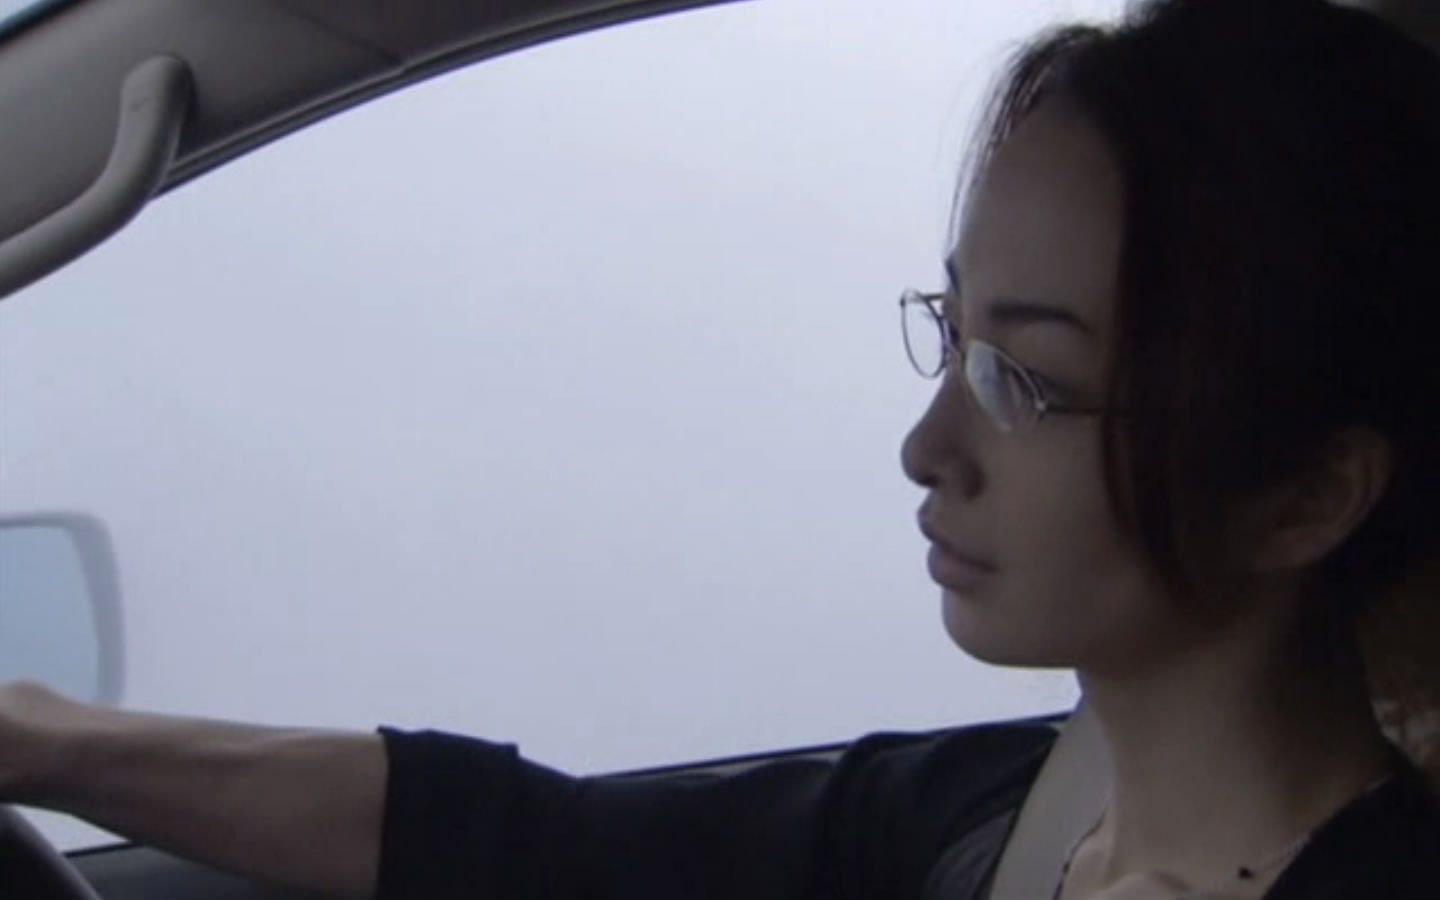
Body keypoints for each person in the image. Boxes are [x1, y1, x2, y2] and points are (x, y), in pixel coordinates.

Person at [5, 0, 1440, 896]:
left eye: (1028, 378)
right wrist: (47, 737)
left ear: (1305, 497)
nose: (927, 446)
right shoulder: (1001, 819)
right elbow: (530, 846)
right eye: (951, 336)